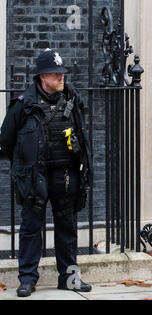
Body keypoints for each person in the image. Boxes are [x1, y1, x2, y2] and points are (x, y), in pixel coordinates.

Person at [0, 49, 93, 297]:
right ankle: (27, 280)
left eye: (62, 73)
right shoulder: (24, 105)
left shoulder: (73, 99)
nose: (61, 78)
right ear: (42, 77)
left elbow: (82, 137)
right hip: (35, 178)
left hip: (65, 175)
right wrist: (23, 168)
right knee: (31, 228)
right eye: (55, 74)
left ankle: (70, 279)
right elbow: (5, 142)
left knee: (68, 229)